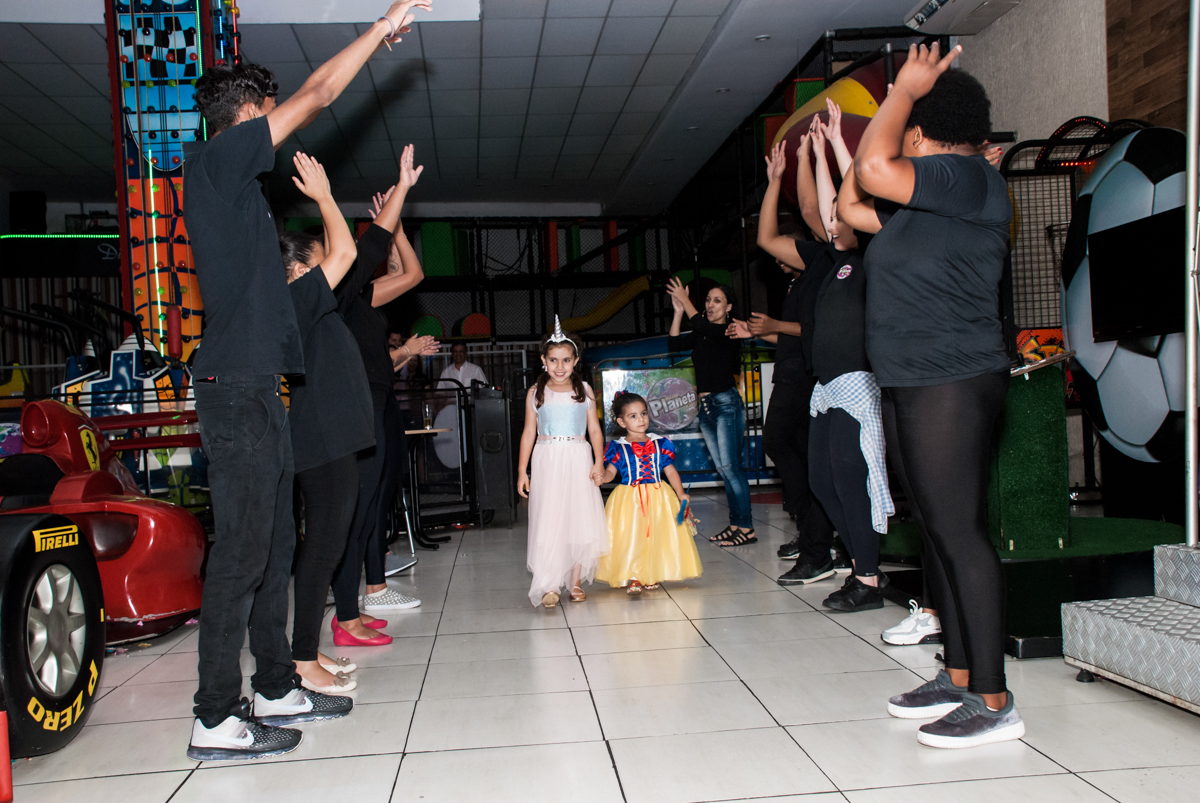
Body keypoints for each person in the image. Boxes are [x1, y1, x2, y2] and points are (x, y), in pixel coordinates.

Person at [183, 0, 429, 761]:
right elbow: (322, 92)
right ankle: (216, 713)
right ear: (250, 114)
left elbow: (340, 266)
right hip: (235, 387)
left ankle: (277, 683)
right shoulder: (217, 162)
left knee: (274, 549)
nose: (276, 124)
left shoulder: (243, 205)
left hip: (262, 389)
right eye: (268, 112)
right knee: (242, 552)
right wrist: (380, 31)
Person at [840, 43, 1020, 748]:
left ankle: (995, 696)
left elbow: (875, 168)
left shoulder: (969, 177)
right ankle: (959, 671)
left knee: (961, 534)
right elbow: (855, 203)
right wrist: (836, 148)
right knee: (939, 535)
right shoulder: (933, 204)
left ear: (921, 127)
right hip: (916, 379)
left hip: (951, 376)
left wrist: (899, 91)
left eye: (909, 118)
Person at [331, 145, 437, 646]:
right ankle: (349, 607)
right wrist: (388, 218)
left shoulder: (366, 297)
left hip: (376, 402)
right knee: (355, 507)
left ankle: (358, 604)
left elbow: (413, 275)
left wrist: (394, 227)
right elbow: (377, 256)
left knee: (373, 501)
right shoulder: (337, 297)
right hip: (355, 405)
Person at [279, 153, 375, 694]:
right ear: (297, 270)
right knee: (322, 546)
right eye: (314, 263)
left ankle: (305, 648)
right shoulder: (296, 298)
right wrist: (324, 197)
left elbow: (346, 254)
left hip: (333, 437)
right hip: (322, 440)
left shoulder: (309, 303)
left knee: (328, 545)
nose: (327, 271)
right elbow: (347, 249)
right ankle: (299, 660)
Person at [749, 131, 836, 584]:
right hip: (793, 372)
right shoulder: (806, 272)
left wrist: (814, 156)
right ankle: (813, 537)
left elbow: (808, 210)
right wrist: (780, 174)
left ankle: (819, 542)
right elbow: (768, 235)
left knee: (790, 449)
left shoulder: (829, 263)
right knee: (788, 450)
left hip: (810, 375)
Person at [517, 318, 608, 607]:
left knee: (578, 517)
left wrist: (599, 462)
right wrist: (522, 470)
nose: (559, 366)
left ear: (576, 360)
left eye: (566, 360)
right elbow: (529, 432)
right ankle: (548, 583)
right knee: (548, 517)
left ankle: (575, 579)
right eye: (553, 360)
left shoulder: (584, 390)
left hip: (578, 457)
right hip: (547, 459)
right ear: (544, 360)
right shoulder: (536, 392)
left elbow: (594, 429)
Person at [666, 278, 754, 546]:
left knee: (731, 468)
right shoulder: (703, 333)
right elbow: (673, 346)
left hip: (726, 404)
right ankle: (736, 523)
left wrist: (687, 301)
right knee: (725, 470)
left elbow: (704, 324)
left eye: (717, 300)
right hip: (706, 408)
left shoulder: (729, 330)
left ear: (728, 307)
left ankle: (747, 528)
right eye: (708, 300)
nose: (711, 304)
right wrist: (679, 312)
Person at [596, 391, 702, 594]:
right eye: (633, 416)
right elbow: (611, 471)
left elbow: (670, 471)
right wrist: (603, 478)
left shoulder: (659, 444)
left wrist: (681, 494)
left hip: (658, 496)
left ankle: (651, 574)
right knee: (632, 536)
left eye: (643, 413)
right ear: (621, 421)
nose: (641, 419)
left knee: (656, 536)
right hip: (629, 499)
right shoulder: (618, 448)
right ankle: (634, 575)